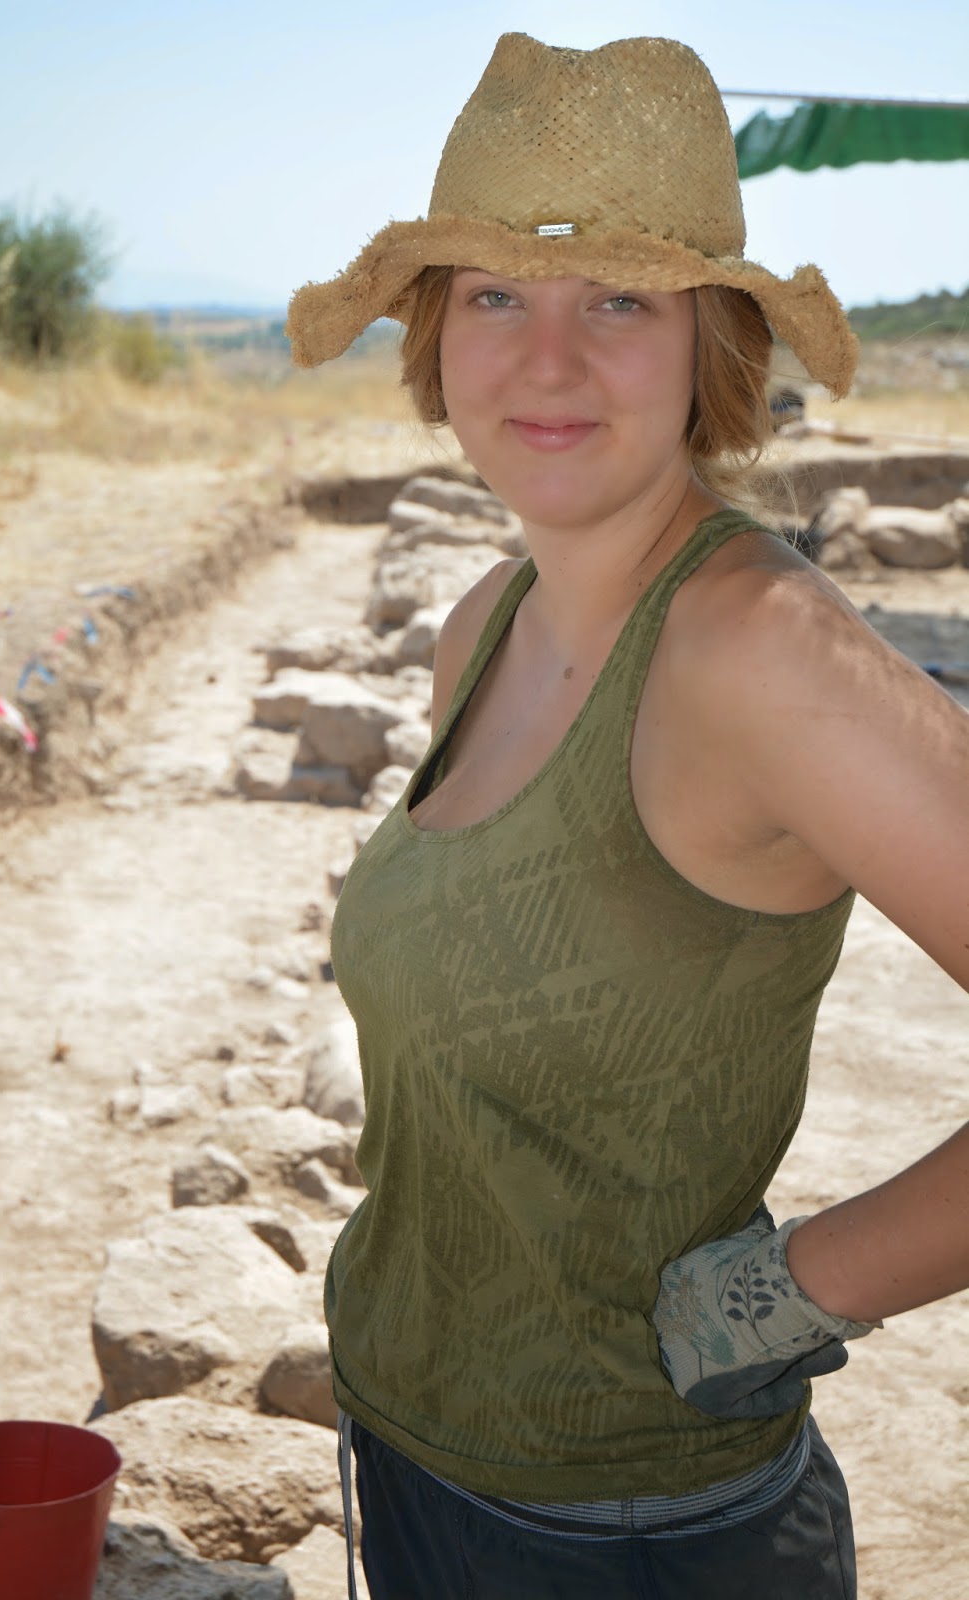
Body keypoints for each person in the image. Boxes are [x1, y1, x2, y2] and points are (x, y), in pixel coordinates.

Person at [285, 32, 969, 1600]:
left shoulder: (759, 652)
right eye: (494, 297)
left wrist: (795, 1288)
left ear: (705, 346)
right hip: (413, 1452)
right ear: (434, 335)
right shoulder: (486, 621)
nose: (545, 361)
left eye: (617, 301)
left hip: (633, 1537)